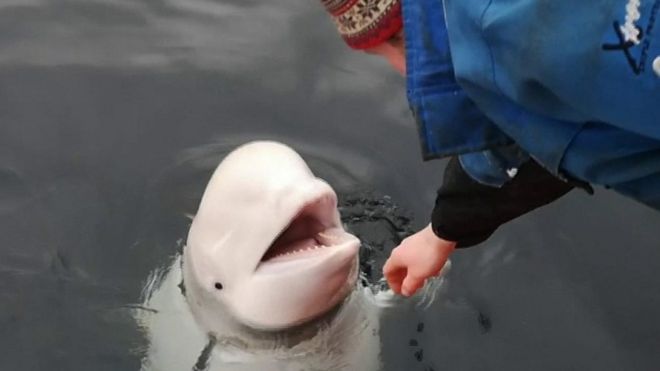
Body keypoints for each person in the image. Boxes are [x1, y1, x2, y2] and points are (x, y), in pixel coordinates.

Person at [317, 0, 660, 297]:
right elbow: (530, 133)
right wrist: (443, 230)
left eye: (381, 55)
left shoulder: (508, 44)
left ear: (404, 35)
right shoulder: (508, 43)